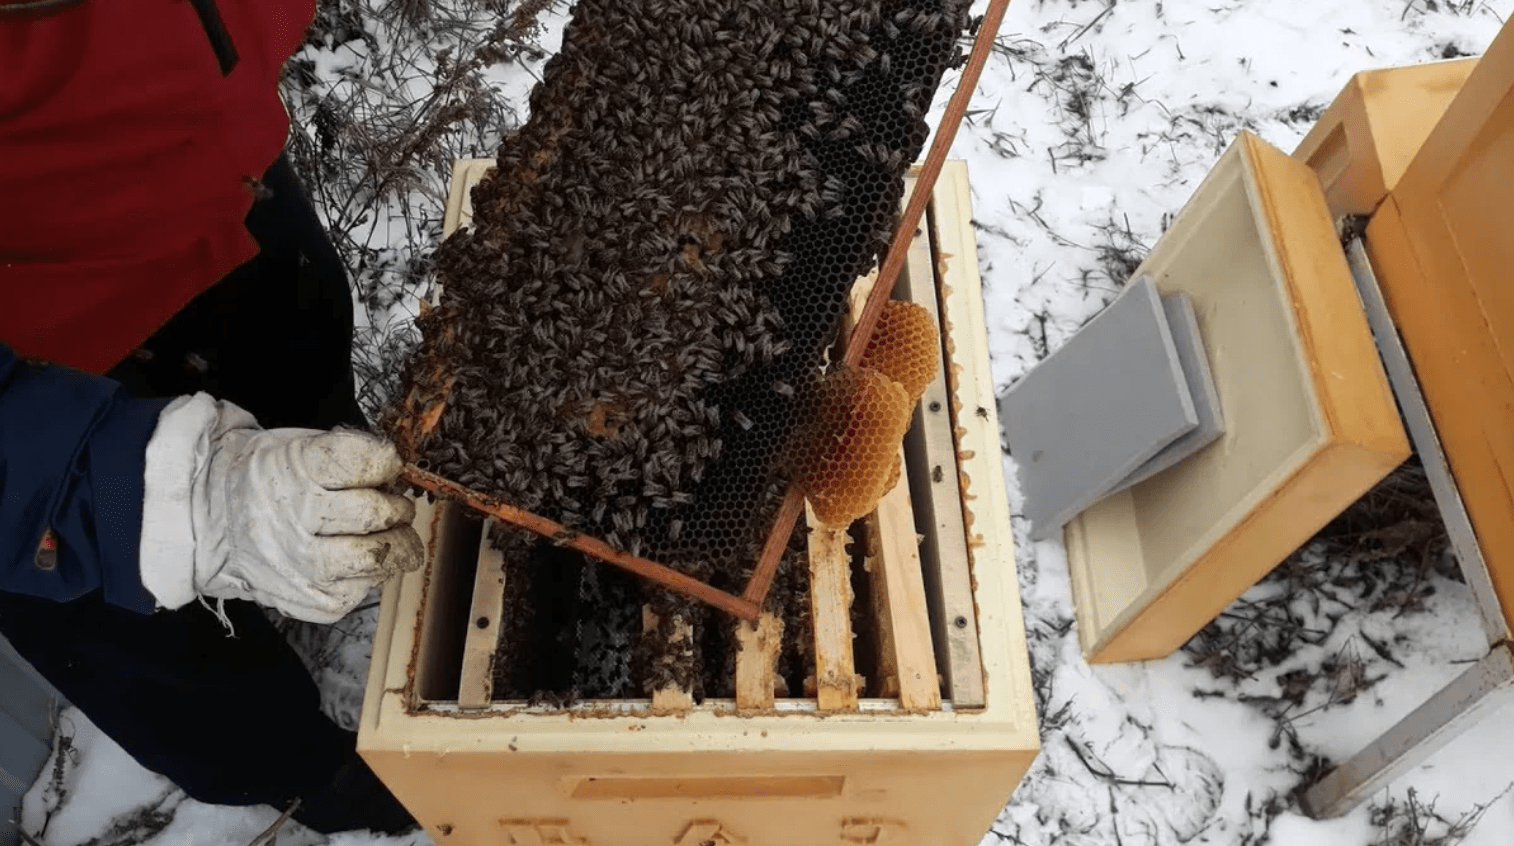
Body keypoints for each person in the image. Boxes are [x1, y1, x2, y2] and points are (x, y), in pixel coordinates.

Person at [2, 0, 428, 833]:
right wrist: (153, 497)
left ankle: (343, 600)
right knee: (164, 662)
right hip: (41, 393)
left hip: (222, 187)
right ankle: (324, 781)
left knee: (319, 427)